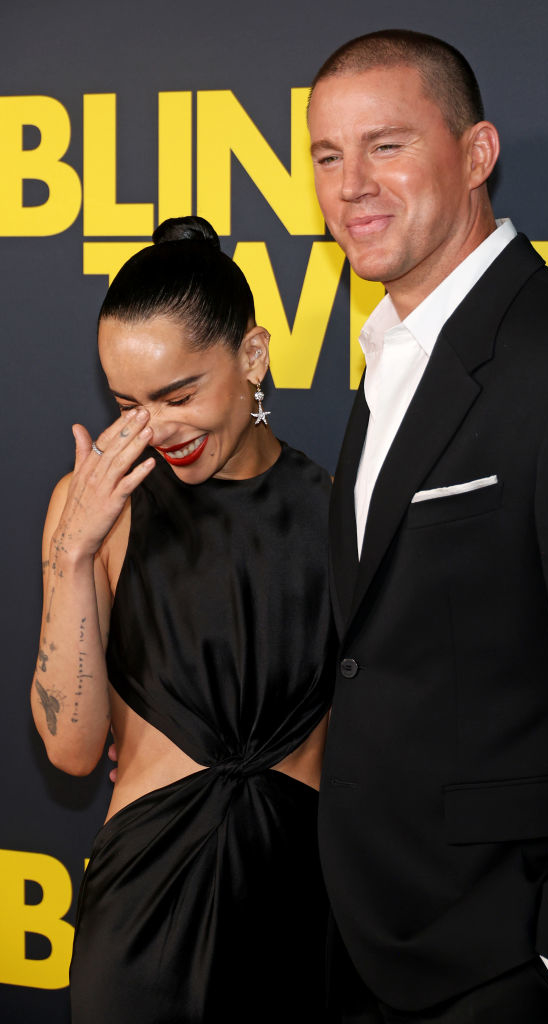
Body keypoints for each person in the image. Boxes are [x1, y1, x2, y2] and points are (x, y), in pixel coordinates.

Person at [307, 28, 548, 1024]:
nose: (352, 185)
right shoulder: (392, 351)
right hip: (377, 929)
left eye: (386, 145)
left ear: (476, 155)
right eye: (327, 156)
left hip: (507, 956)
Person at [31, 216, 335, 1023]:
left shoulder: (341, 513)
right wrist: (71, 556)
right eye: (128, 404)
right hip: (143, 924)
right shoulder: (97, 510)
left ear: (253, 356)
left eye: (178, 395)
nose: (158, 430)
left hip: (299, 917)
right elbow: (68, 750)